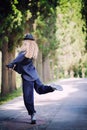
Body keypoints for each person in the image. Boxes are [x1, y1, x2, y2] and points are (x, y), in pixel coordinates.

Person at [6, 34, 63, 124]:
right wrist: (13, 66)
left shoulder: (24, 53)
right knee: (40, 89)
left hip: (27, 78)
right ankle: (51, 87)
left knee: (28, 98)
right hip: (34, 75)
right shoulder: (31, 52)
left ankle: (32, 114)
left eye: (24, 41)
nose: (23, 43)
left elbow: (18, 59)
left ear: (26, 42)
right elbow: (20, 63)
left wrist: (11, 64)